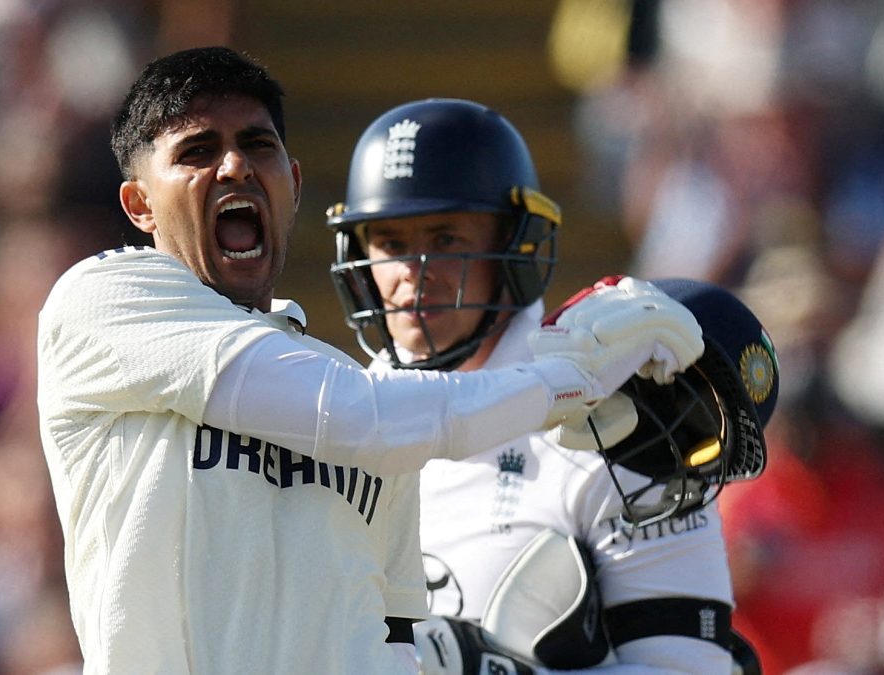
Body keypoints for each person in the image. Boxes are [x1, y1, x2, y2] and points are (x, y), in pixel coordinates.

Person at [36, 49, 706, 675]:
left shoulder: (370, 400)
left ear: (292, 185)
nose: (235, 167)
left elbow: (391, 641)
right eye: (198, 150)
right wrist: (573, 377)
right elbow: (353, 415)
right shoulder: (103, 303)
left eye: (257, 144)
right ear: (139, 204)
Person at [326, 97, 780, 673]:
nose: (414, 270)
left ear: (515, 245)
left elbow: (691, 669)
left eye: (444, 239)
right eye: (390, 243)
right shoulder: (334, 419)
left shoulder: (621, 415)